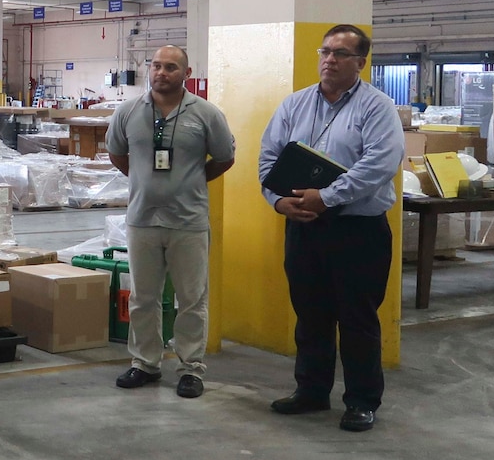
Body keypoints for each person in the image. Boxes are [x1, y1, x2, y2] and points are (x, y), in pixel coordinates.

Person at [258, 24, 403, 433]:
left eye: (340, 54)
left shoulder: (377, 108)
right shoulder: (294, 105)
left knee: (357, 319)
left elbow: (378, 165)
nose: (329, 60)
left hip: (357, 231)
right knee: (310, 314)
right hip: (304, 228)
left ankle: (361, 401)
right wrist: (278, 201)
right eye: (325, 51)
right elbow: (268, 157)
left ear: (361, 62)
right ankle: (311, 391)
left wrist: (327, 196)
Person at [106, 45, 236, 399]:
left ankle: (191, 368)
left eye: (171, 67)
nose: (161, 73)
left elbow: (225, 157)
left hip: (188, 221)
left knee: (191, 299)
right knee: (143, 297)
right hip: (142, 219)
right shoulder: (129, 111)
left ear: (186, 73)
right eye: (156, 66)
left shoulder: (206, 114)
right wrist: (144, 182)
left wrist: (190, 182)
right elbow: (117, 152)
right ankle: (144, 364)